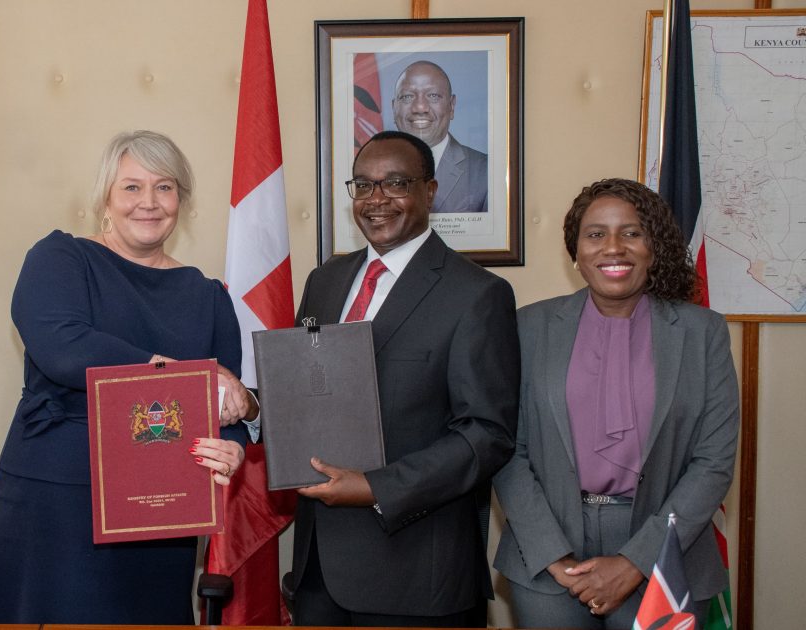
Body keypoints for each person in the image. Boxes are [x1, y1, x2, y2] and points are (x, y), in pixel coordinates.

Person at [0, 130, 256, 624]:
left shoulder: (207, 295)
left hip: (163, 510)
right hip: (58, 506)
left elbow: (226, 398)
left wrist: (232, 447)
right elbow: (64, 349)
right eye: (131, 187)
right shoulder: (61, 258)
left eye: (164, 187)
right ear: (105, 196)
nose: (149, 202)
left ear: (181, 200)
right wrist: (173, 373)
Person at [290, 130, 519, 627]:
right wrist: (253, 407)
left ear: (430, 191)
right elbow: (303, 389)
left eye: (395, 183)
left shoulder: (477, 295)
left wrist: (376, 487)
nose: (377, 200)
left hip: (416, 576)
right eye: (363, 185)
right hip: (318, 574)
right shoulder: (324, 281)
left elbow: (486, 435)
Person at [493, 178, 739, 629]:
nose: (613, 247)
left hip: (667, 553)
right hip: (549, 552)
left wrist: (635, 561)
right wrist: (554, 555)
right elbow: (508, 450)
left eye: (631, 233)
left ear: (653, 248)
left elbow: (714, 462)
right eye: (595, 234)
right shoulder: (528, 327)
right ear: (575, 251)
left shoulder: (703, 333)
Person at [392, 60, 488, 214]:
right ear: (394, 108)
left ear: (452, 106)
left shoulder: (486, 172)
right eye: (407, 97)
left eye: (433, 96)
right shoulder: (370, 170)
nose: (420, 107)